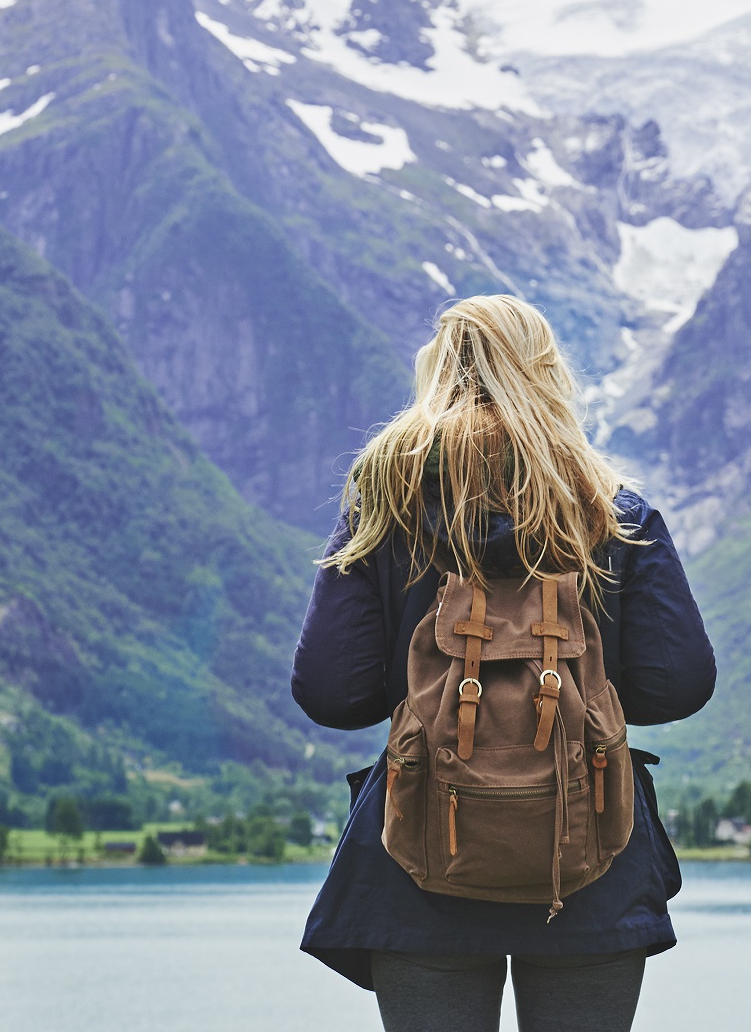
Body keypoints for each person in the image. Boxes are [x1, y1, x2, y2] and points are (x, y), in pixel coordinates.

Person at [292, 294, 716, 1032]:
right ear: (546, 374)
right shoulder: (614, 514)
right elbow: (675, 683)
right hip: (593, 849)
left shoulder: (381, 508)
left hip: (420, 848)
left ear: (437, 373)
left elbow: (334, 693)